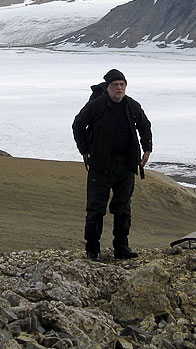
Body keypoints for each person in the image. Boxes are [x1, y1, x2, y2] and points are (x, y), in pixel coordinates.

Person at [72, 69, 152, 261]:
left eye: (122, 85)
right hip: (101, 166)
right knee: (96, 208)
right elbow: (78, 125)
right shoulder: (96, 106)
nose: (119, 88)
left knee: (123, 207)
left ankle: (121, 248)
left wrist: (147, 148)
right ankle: (92, 249)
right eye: (115, 85)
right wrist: (84, 150)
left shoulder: (132, 105)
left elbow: (144, 125)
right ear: (107, 88)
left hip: (126, 165)